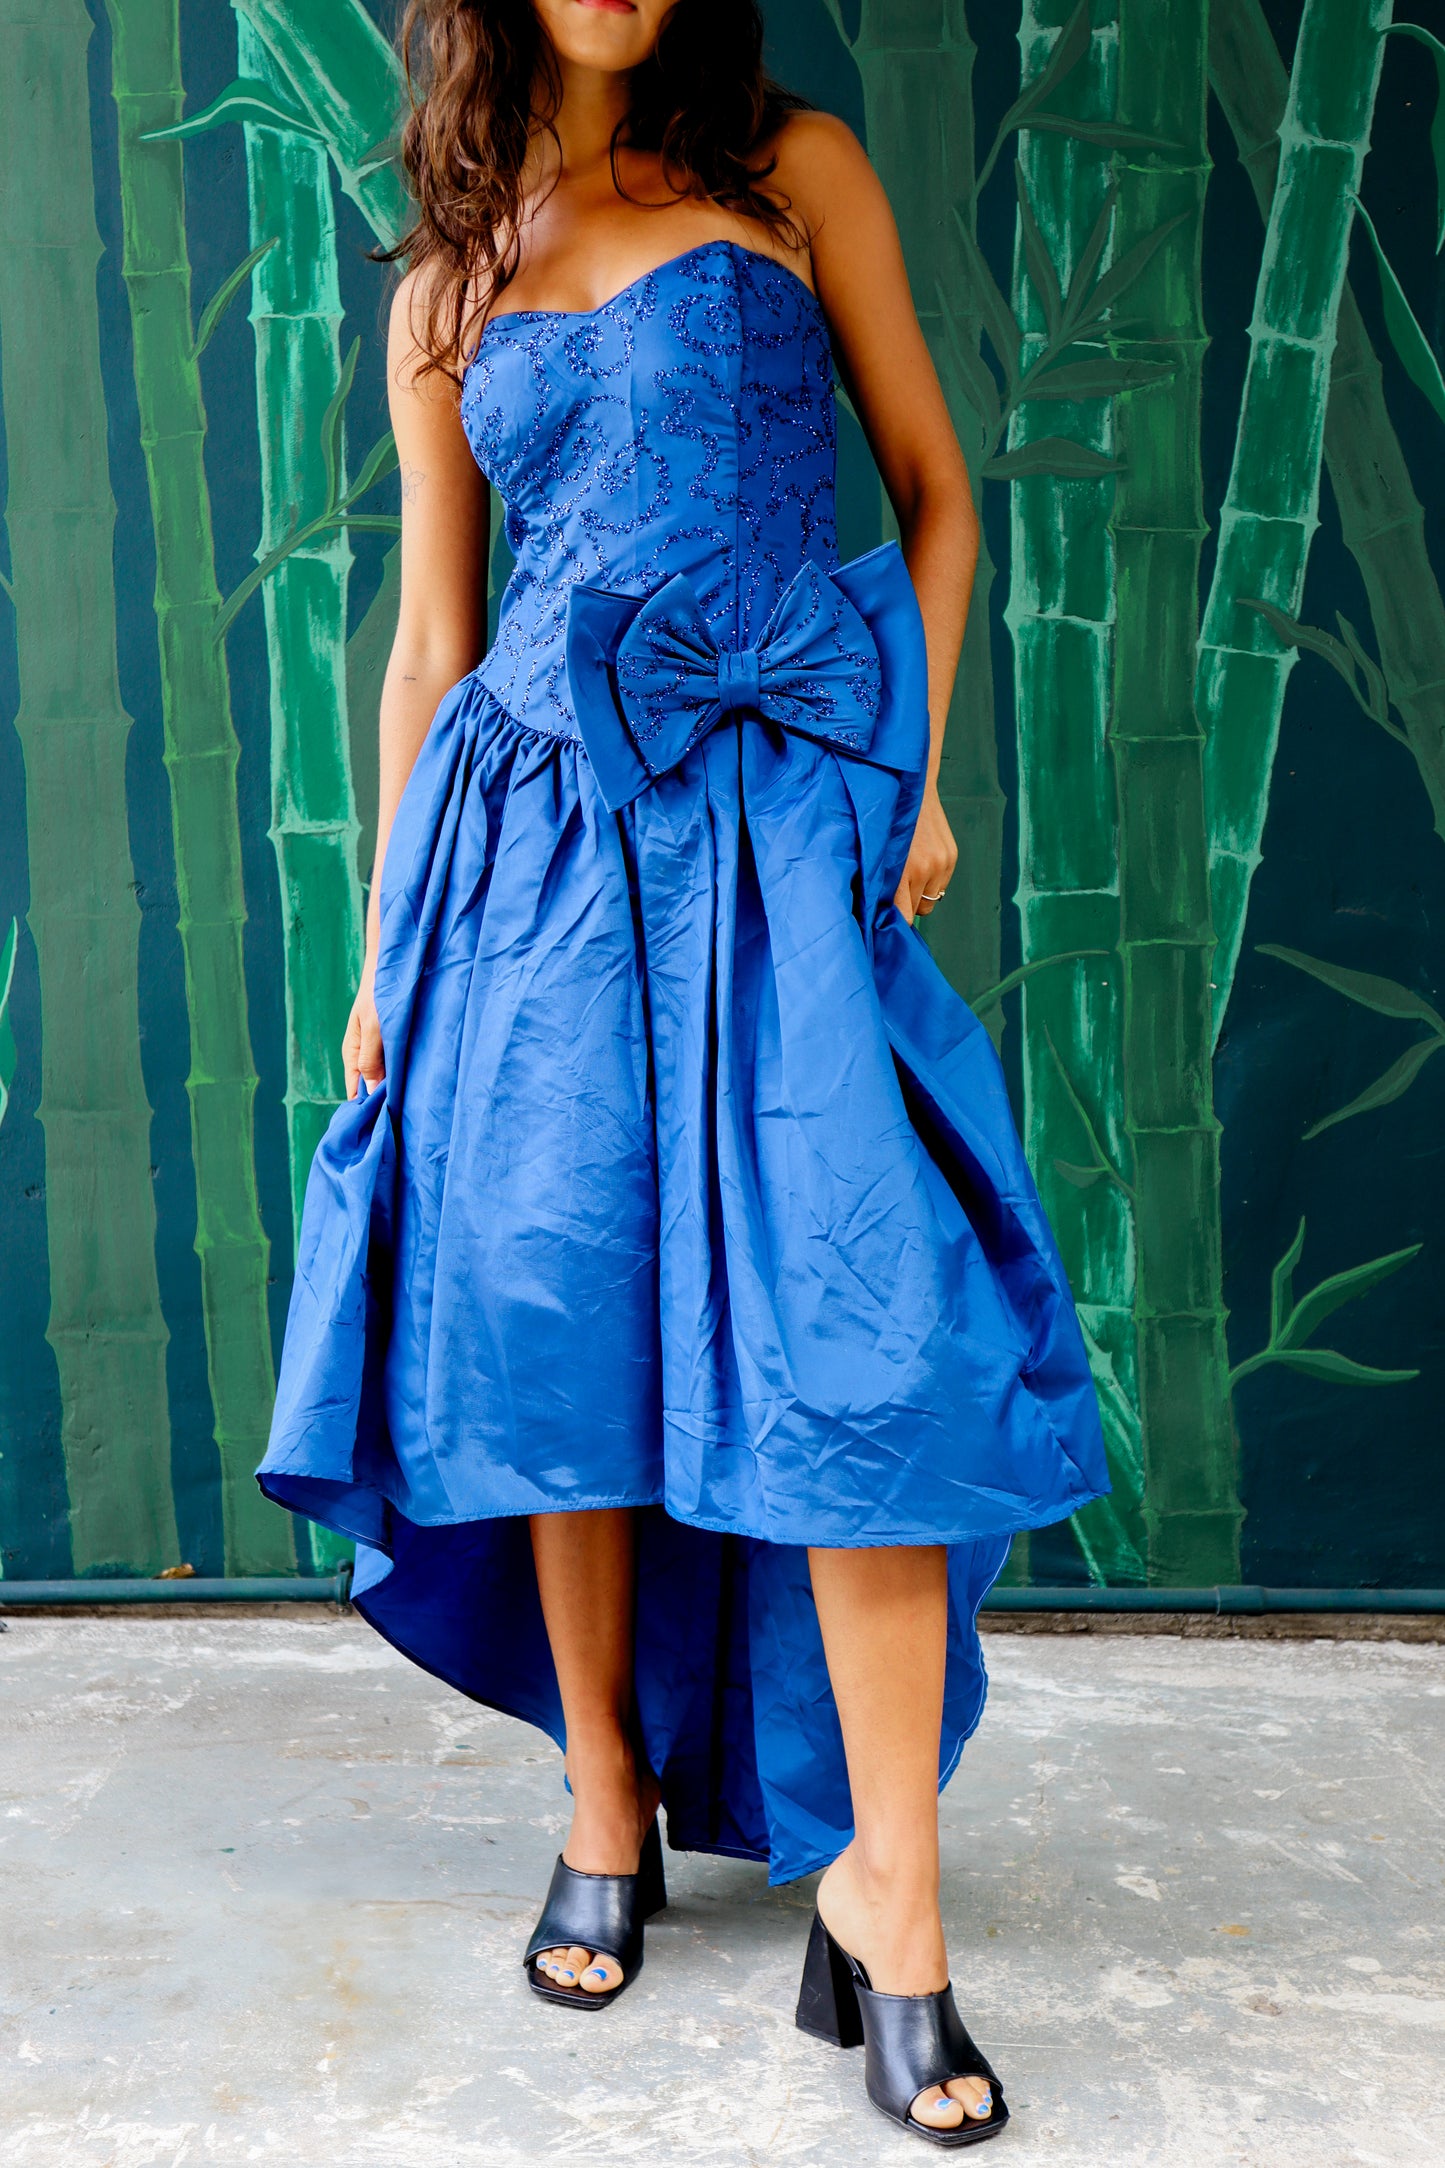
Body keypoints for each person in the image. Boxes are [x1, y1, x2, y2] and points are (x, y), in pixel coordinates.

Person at [258, 0, 1108, 2144]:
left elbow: (933, 494)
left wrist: (903, 774)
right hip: (530, 843)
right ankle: (607, 1790)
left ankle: (889, 1898)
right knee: (558, 1323)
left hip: (778, 821)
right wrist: (384, 946)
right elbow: (439, 640)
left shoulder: (796, 171)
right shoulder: (447, 269)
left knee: (862, 1333)